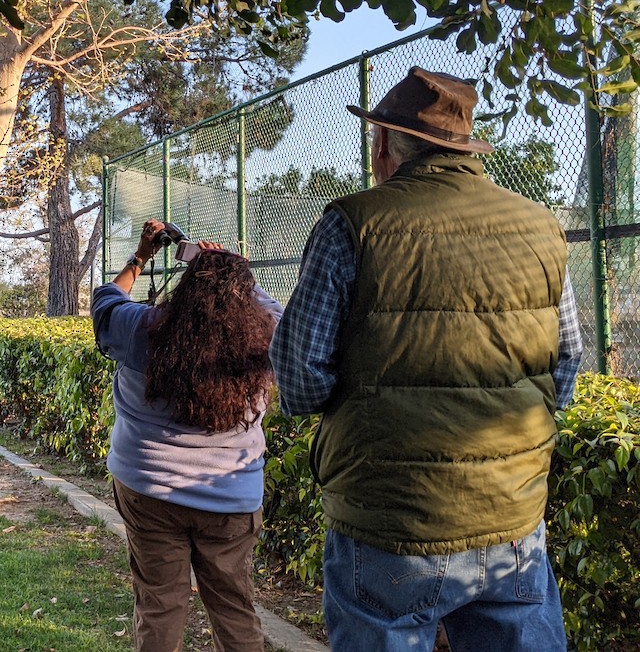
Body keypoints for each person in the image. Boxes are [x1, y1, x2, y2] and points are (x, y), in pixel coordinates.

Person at [270, 66, 584, 652]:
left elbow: (299, 378)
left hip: (388, 520)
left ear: (384, 142)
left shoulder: (351, 225)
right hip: (512, 517)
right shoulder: (544, 228)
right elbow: (565, 369)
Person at [91, 219, 283, 652]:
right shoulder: (266, 338)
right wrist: (233, 270)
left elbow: (105, 300)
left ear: (184, 288)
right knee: (234, 609)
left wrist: (141, 256)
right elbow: (277, 311)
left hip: (149, 490)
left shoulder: (141, 330)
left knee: (159, 606)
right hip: (230, 499)